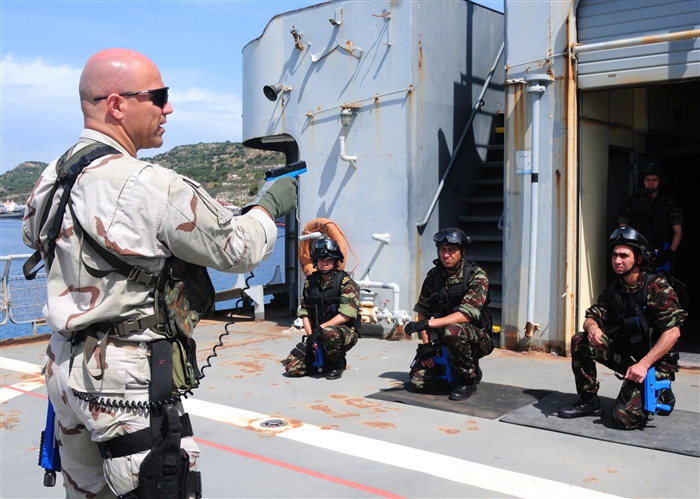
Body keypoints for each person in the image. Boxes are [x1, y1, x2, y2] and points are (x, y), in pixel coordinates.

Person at [22, 48, 297, 498]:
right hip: (124, 383)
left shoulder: (53, 176)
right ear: (116, 105)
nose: (168, 107)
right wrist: (269, 205)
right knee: (161, 485)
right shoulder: (151, 185)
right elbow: (238, 248)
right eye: (159, 96)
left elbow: (37, 240)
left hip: (64, 370)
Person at [558, 226, 686, 429]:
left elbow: (673, 332)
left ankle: (659, 389)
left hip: (654, 362)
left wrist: (644, 365)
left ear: (639, 258)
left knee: (623, 419)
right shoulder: (614, 290)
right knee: (580, 340)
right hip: (630, 356)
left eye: (624, 255)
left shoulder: (656, 288)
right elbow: (591, 317)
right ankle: (589, 402)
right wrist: (593, 329)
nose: (617, 260)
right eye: (615, 255)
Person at [405, 227, 493, 401]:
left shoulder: (476, 276)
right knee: (418, 382)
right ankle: (456, 368)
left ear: (462, 252)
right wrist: (427, 346)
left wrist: (428, 324)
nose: (446, 255)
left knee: (453, 330)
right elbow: (423, 310)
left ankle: (467, 380)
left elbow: (465, 316)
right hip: (443, 339)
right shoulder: (433, 276)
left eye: (452, 250)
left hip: (476, 338)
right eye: (442, 250)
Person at [283, 238, 360, 380]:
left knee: (328, 332)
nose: (325, 264)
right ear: (316, 261)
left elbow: (346, 314)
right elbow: (305, 312)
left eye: (329, 260)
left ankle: (337, 363)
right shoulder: (310, 283)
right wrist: (311, 335)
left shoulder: (345, 283)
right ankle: (324, 362)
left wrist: (320, 328)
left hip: (341, 333)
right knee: (292, 368)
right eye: (321, 260)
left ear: (335, 262)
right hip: (317, 333)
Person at [617, 163, 683, 275]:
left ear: (660, 181)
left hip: (662, 256)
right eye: (647, 179)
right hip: (637, 256)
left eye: (654, 180)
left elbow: (678, 232)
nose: (651, 183)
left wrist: (669, 252)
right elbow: (623, 229)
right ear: (642, 181)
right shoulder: (632, 203)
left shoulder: (669, 204)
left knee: (662, 289)